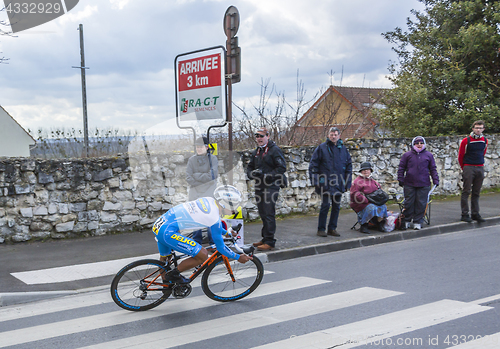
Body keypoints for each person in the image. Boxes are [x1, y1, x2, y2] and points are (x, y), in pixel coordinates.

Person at [152, 185, 252, 284]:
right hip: (167, 232)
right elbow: (220, 247)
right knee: (202, 255)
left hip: (160, 225)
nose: (234, 210)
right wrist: (238, 257)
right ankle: (173, 274)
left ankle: (166, 286)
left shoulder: (209, 201)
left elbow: (210, 224)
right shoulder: (214, 217)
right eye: (233, 206)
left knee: (165, 260)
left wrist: (226, 233)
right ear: (225, 204)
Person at [246, 127, 287, 251]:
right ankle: (265, 238)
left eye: (261, 136)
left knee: (269, 213)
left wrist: (266, 175)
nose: (259, 138)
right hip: (260, 185)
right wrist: (251, 174)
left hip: (271, 185)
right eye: (257, 136)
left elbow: (281, 168)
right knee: (263, 213)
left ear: (268, 137)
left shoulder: (274, 150)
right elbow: (249, 167)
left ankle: (270, 241)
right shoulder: (257, 152)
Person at [309, 127, 352, 237]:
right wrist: (315, 180)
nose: (333, 136)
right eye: (332, 134)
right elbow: (313, 165)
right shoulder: (321, 148)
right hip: (325, 183)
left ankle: (332, 228)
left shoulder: (343, 149)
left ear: (339, 136)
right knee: (325, 205)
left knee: (336, 207)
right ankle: (321, 229)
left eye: (335, 134)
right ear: (328, 135)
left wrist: (347, 183)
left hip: (338, 183)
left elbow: (348, 167)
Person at [397, 136, 439, 230]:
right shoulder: (407, 155)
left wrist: (436, 180)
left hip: (424, 184)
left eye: (421, 143)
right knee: (409, 203)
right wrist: (401, 179)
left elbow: (433, 169)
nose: (419, 145)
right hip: (409, 183)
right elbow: (401, 168)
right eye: (417, 143)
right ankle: (406, 220)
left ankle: (418, 221)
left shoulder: (428, 155)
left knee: (421, 203)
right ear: (413, 144)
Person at [186, 136, 218, 246]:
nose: (198, 149)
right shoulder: (191, 160)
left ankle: (213, 243)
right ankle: (196, 243)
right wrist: (202, 180)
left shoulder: (213, 159)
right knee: (195, 219)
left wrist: (197, 176)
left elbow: (213, 175)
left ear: (207, 147)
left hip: (209, 192)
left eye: (201, 147)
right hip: (195, 192)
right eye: (197, 147)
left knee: (210, 218)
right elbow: (188, 177)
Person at [458, 120, 488, 223]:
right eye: (476, 128)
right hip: (469, 167)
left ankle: (475, 213)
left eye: (480, 128)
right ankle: (464, 214)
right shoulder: (466, 141)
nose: (478, 130)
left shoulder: (484, 140)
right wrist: (465, 168)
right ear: (473, 129)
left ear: (483, 129)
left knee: (476, 192)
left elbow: (483, 152)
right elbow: (461, 156)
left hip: (480, 167)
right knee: (466, 191)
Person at [350, 162, 388, 233]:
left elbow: (379, 190)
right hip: (361, 203)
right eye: (364, 170)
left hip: (373, 201)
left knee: (383, 206)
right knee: (371, 207)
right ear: (361, 171)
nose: (366, 171)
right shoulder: (357, 182)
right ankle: (364, 225)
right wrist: (366, 200)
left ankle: (380, 224)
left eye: (367, 169)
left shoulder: (373, 181)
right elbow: (355, 194)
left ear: (370, 171)